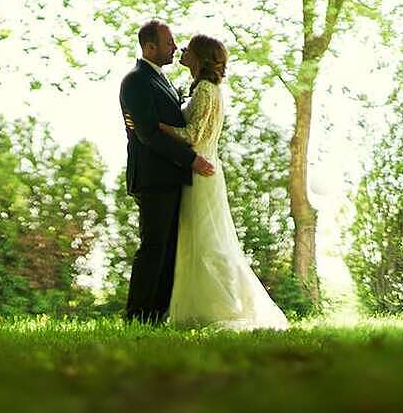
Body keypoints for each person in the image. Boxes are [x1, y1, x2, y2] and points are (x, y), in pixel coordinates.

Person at [163, 34, 289, 330]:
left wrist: (160, 127)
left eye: (188, 49)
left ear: (200, 57)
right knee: (198, 239)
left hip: (200, 172)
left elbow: (193, 136)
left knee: (207, 241)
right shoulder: (205, 89)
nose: (182, 51)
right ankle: (197, 308)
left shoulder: (206, 90)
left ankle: (222, 305)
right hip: (202, 170)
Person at [119, 20, 215, 325]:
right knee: (153, 246)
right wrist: (191, 160)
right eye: (169, 42)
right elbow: (148, 134)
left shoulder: (161, 80)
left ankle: (158, 313)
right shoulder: (135, 81)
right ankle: (137, 315)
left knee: (171, 248)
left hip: (172, 178)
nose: (175, 47)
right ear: (150, 47)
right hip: (153, 178)